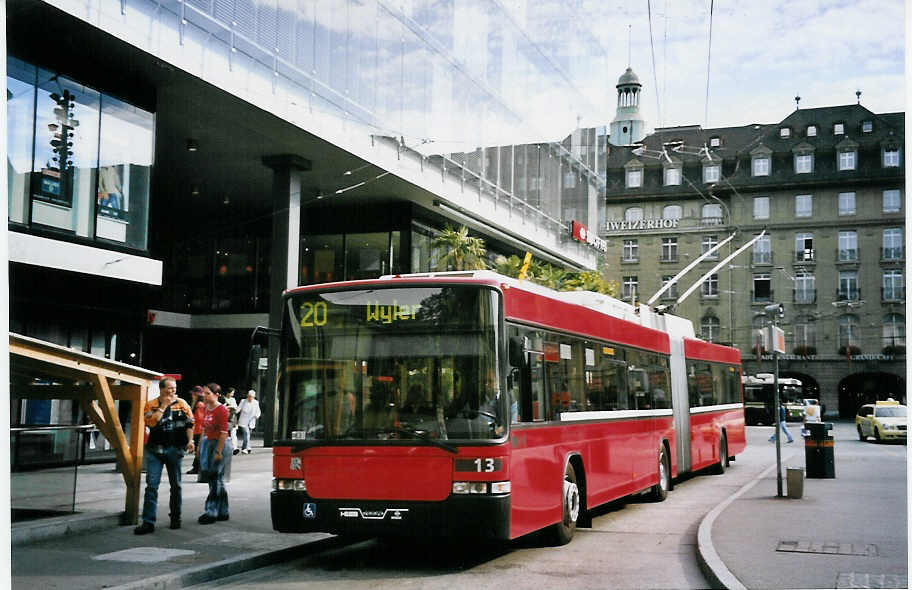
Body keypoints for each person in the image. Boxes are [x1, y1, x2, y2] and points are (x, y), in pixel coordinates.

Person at [134, 378, 195, 534]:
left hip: (175, 449)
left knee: (176, 486)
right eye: (169, 388)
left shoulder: (182, 404)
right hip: (156, 450)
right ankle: (148, 522)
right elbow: (151, 423)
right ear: (161, 389)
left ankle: (176, 517)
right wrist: (164, 406)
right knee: (152, 486)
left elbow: (190, 423)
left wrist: (190, 441)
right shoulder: (151, 404)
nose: (172, 391)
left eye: (174, 388)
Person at [198, 383, 231, 524]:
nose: (205, 396)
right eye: (204, 393)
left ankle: (211, 511)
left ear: (217, 395)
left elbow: (224, 432)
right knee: (216, 479)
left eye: (208, 394)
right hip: (209, 443)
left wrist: (218, 451)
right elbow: (204, 429)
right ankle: (223, 510)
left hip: (219, 444)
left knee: (214, 477)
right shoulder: (207, 408)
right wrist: (200, 446)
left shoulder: (221, 410)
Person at [187, 385, 206, 475]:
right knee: (198, 450)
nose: (192, 396)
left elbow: (199, 418)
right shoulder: (199, 404)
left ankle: (197, 468)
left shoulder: (199, 404)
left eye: (193, 394)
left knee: (198, 450)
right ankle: (197, 467)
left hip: (198, 430)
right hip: (197, 430)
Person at [236, 389, 261, 454]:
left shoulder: (256, 402)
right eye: (249, 396)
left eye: (251, 397)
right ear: (247, 395)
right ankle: (244, 448)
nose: (250, 398)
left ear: (254, 397)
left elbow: (258, 411)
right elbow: (238, 409)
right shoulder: (243, 401)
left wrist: (256, 416)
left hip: (251, 421)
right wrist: (234, 412)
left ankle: (248, 446)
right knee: (246, 433)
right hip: (243, 420)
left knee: (248, 435)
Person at [225, 387, 240, 454]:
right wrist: (229, 407)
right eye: (232, 393)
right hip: (225, 419)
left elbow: (235, 407)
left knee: (233, 433)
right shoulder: (223, 399)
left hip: (232, 418)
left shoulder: (233, 399)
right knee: (225, 434)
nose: (233, 394)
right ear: (228, 393)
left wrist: (229, 407)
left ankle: (235, 448)